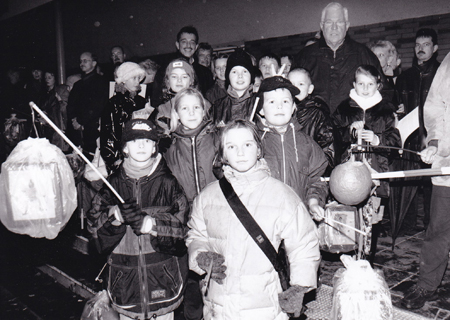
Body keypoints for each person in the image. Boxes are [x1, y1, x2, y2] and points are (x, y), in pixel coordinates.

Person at [186, 119, 321, 320]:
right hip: (219, 306)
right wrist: (200, 257)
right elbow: (196, 235)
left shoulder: (282, 195)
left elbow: (304, 243)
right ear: (223, 155)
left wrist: (300, 287)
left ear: (258, 149)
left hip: (265, 307)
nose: (240, 152)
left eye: (247, 145)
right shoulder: (207, 197)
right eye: (232, 146)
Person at [87, 118, 190, 320]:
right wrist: (113, 217)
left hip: (164, 283)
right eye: (134, 141)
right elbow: (94, 234)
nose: (141, 145)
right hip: (124, 285)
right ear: (125, 148)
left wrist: (153, 225)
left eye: (147, 140)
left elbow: (183, 233)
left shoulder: (169, 183)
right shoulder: (112, 186)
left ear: (154, 147)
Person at [332, 65, 401, 261]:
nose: (365, 88)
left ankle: (367, 259)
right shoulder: (344, 108)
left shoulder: (386, 110)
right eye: (360, 83)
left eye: (370, 84)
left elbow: (396, 142)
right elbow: (333, 136)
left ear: (378, 85)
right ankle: (350, 259)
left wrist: (377, 139)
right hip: (348, 176)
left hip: (375, 174)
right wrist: (350, 132)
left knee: (372, 219)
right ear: (354, 84)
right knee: (350, 216)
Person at [163, 88, 219, 320]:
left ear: (204, 110)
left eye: (196, 107)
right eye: (185, 108)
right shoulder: (170, 148)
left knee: (219, 276)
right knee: (192, 280)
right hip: (187, 222)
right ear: (176, 113)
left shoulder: (218, 139)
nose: (192, 112)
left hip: (217, 218)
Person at [401, 52, 450, 310]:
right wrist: (436, 144)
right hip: (447, 167)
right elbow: (435, 107)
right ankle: (427, 283)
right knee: (438, 229)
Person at [255, 76, 329, 221]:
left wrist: (314, 203)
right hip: (263, 222)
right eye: (272, 102)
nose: (279, 106)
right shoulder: (253, 142)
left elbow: (316, 180)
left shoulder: (307, 143)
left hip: (297, 220)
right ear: (261, 109)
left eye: (285, 101)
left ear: (294, 107)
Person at [294, 2, 384, 114]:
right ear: (322, 26)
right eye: (329, 22)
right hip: (313, 128)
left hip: (353, 127)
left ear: (347, 26)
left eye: (339, 22)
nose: (334, 27)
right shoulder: (305, 56)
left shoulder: (364, 55)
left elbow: (384, 92)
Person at [395, 28, 440, 235]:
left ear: (435, 48)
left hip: (434, 140)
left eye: (426, 44)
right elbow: (396, 106)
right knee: (408, 184)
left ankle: (432, 228)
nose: (420, 49)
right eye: (417, 45)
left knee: (433, 189)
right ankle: (407, 227)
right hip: (410, 139)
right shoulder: (405, 77)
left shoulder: (442, 75)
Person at [100, 62, 147, 174]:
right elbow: (108, 133)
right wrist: (113, 159)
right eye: (134, 78)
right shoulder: (114, 104)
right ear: (124, 80)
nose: (137, 82)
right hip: (122, 158)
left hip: (142, 153)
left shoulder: (142, 101)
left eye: (139, 78)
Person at [288, 68, 335, 174]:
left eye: (301, 84)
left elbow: (329, 149)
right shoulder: (283, 111)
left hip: (310, 173)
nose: (295, 88)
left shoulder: (317, 114)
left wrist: (315, 172)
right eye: (291, 84)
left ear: (310, 89)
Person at [67, 51, 109, 159]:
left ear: (94, 63)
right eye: (81, 61)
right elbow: (70, 105)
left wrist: (81, 121)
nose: (82, 63)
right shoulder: (77, 85)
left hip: (92, 128)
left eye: (85, 61)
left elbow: (98, 106)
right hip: (76, 129)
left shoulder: (101, 82)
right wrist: (74, 120)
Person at [153, 59, 206, 135]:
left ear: (191, 81)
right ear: (168, 81)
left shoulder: (204, 104)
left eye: (184, 77)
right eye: (174, 77)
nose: (179, 80)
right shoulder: (162, 110)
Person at [210, 49, 256, 126]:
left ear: (251, 75)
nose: (240, 76)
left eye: (244, 71)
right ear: (228, 76)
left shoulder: (260, 102)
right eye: (234, 72)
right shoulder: (217, 107)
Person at [39, 70, 70, 151]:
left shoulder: (61, 90)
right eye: (46, 78)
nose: (47, 80)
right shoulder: (44, 93)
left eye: (50, 77)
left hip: (57, 125)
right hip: (47, 126)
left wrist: (60, 100)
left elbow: (65, 108)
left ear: (55, 78)